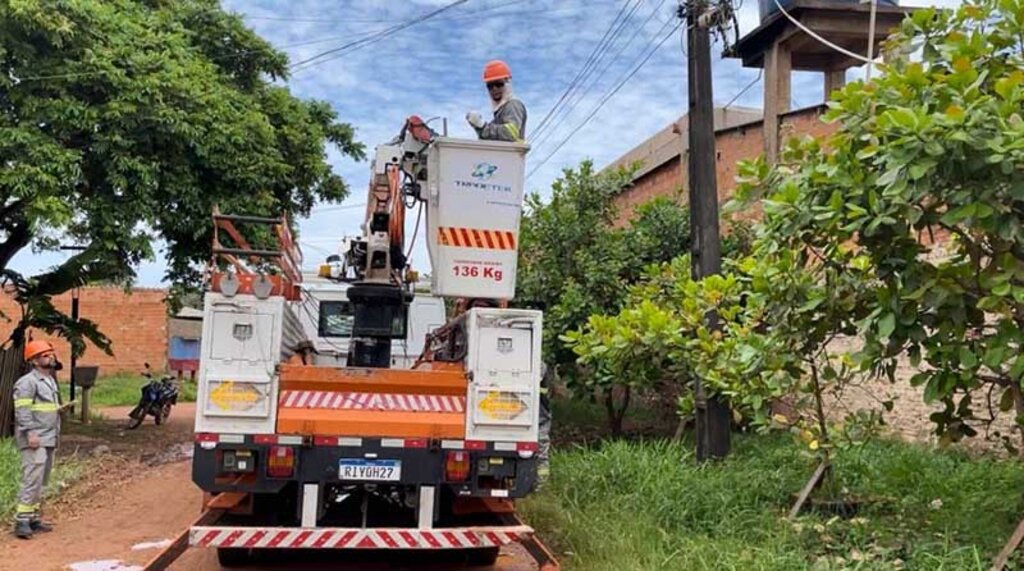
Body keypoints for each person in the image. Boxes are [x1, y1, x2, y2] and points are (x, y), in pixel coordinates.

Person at [12, 340, 62, 539]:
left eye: (51, 354)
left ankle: (32, 517)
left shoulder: (49, 380)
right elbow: (22, 410)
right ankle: (21, 520)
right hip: (35, 438)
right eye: (45, 355)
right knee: (32, 478)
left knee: (42, 480)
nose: (50, 357)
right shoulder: (27, 382)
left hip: (49, 437)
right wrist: (31, 433)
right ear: (34, 361)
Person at [466, 60, 527, 143]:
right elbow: (488, 136)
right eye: (490, 86)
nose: (494, 89)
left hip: (512, 155)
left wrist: (482, 125)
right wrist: (478, 127)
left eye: (499, 84)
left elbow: (511, 134)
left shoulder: (513, 105)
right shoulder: (499, 112)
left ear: (507, 84)